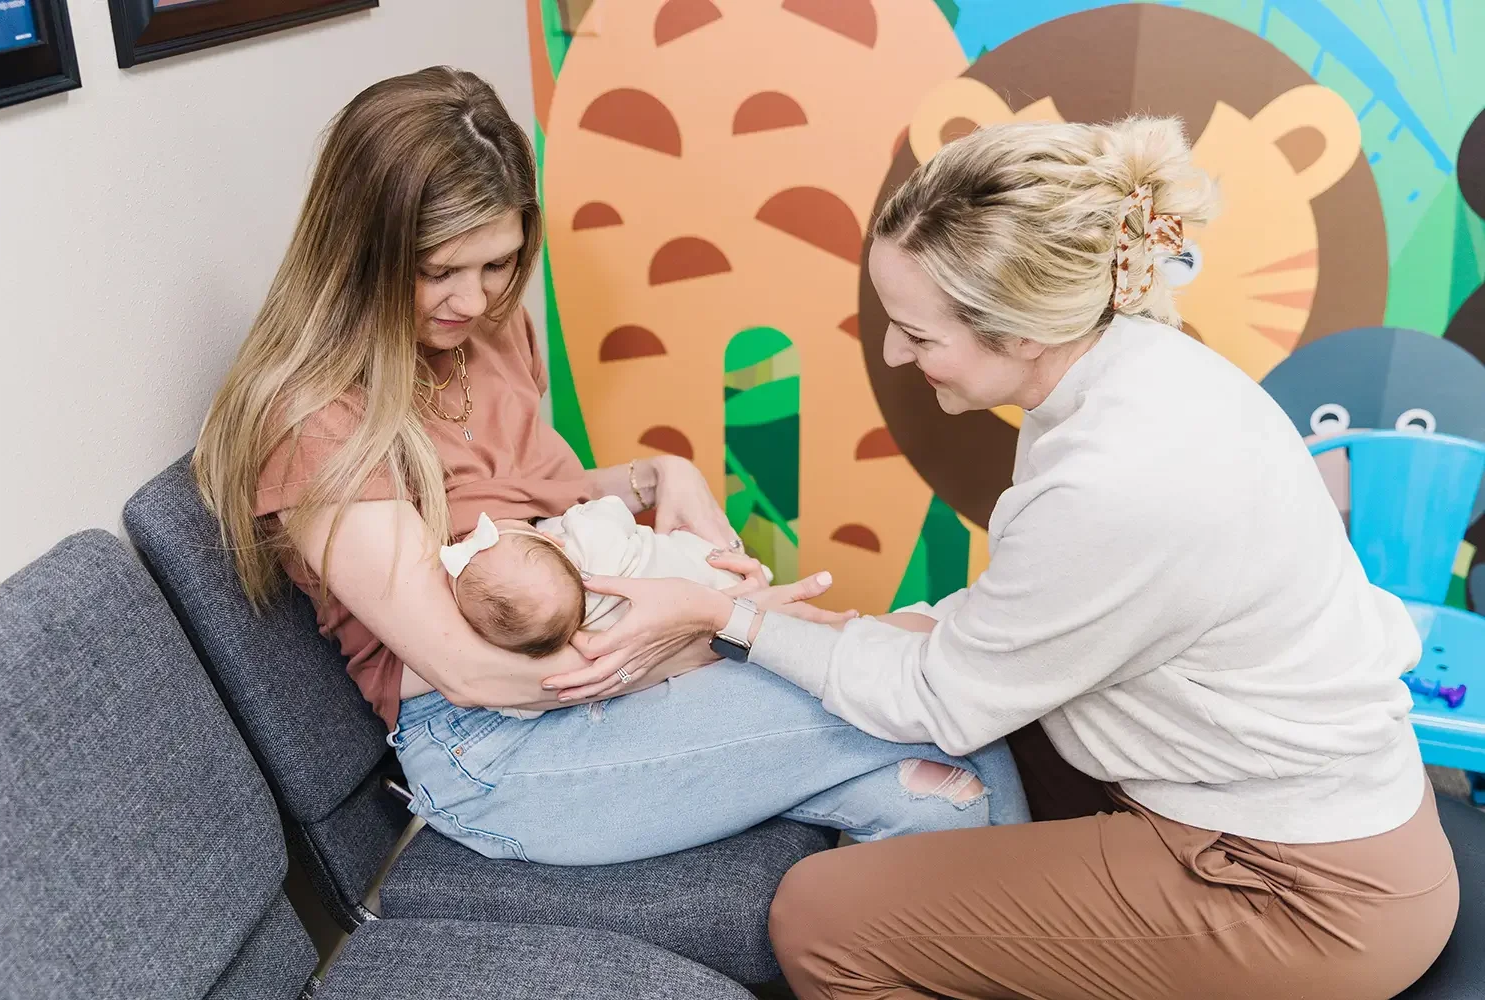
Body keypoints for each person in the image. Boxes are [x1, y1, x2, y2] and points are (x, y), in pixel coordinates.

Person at [551, 117, 1459, 998]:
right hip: (1300, 811)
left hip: (1300, 894)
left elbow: (940, 702)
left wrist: (727, 616)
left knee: (822, 920)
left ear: (1021, 330)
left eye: (919, 333)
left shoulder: (1116, 480)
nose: (894, 354)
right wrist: (864, 627)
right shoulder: (1128, 371)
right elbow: (1043, 610)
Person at [191, 66, 1028, 868]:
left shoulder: (481, 331)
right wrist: (709, 629)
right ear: (359, 251)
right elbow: (471, 667)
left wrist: (663, 477)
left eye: (496, 265)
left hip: (602, 668)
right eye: (437, 270)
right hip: (495, 741)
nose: (474, 301)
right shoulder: (319, 423)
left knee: (940, 800)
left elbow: (534, 504)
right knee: (936, 704)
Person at [441, 496, 757, 660]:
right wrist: (569, 518)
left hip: (716, 611)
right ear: (551, 539)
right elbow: (612, 508)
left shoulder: (583, 630)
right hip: (713, 567)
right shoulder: (586, 534)